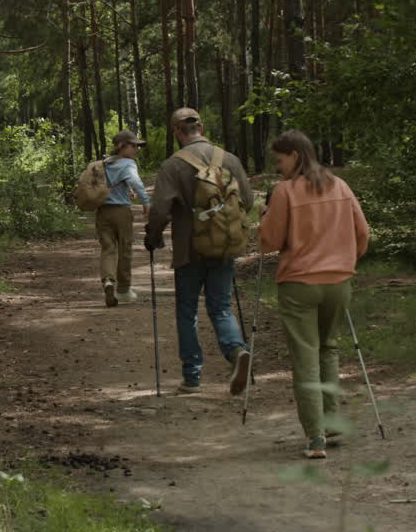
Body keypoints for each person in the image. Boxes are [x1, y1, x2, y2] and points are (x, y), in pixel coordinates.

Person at [258, 129, 369, 459]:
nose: (278, 167)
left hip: (299, 284)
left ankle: (315, 437)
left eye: (280, 160)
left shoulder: (285, 191)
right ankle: (332, 422)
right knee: (328, 349)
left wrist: (261, 223)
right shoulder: (341, 186)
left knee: (305, 357)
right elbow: (363, 233)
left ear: (294, 155)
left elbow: (271, 241)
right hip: (339, 282)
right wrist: (346, 259)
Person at [145, 108, 253, 395]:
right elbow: (248, 200)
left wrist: (153, 237)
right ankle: (236, 351)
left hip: (189, 249)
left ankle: (192, 377)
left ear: (176, 131)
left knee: (187, 311)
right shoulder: (229, 159)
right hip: (224, 247)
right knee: (220, 306)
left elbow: (159, 211)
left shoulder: (173, 165)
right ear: (201, 127)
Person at [98, 131, 151, 307]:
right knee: (125, 249)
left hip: (102, 212)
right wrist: (146, 202)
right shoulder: (128, 163)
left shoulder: (104, 163)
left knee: (108, 249)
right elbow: (136, 181)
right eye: (133, 145)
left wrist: (127, 189)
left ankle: (108, 281)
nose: (136, 149)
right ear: (121, 146)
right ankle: (123, 290)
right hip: (121, 212)